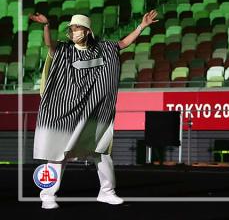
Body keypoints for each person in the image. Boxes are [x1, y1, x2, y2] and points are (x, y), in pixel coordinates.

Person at [30, 11, 158, 209]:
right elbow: (49, 45)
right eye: (71, 29)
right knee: (57, 153)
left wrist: (142, 26)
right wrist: (46, 25)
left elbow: (123, 44)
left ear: (88, 31)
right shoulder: (64, 50)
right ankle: (48, 195)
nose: (74, 32)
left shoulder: (103, 49)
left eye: (78, 28)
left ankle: (107, 192)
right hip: (65, 111)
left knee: (101, 151)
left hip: (93, 112)